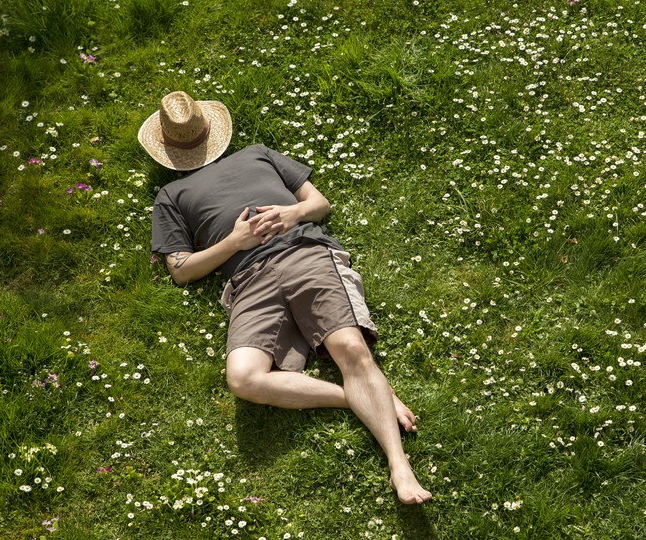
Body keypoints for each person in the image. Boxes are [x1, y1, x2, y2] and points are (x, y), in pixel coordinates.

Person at [140, 91, 432, 504]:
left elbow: (319, 203)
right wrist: (234, 242)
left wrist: (290, 213)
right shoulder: (170, 196)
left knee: (350, 347)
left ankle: (400, 468)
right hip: (247, 280)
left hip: (305, 252)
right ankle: (361, 398)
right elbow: (181, 271)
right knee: (243, 379)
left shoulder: (257, 154)